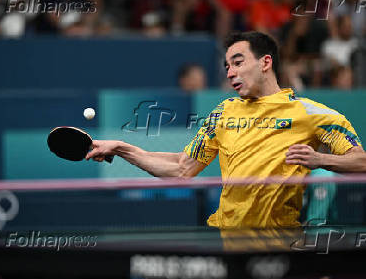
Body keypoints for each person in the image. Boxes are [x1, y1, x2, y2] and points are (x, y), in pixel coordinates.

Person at [86, 31, 366, 229]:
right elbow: (182, 168)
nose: (230, 72)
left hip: (278, 244)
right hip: (226, 241)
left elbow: (361, 161)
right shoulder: (224, 112)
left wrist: (321, 160)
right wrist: (123, 149)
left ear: (265, 63)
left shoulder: (310, 113)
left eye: (238, 62)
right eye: (227, 66)